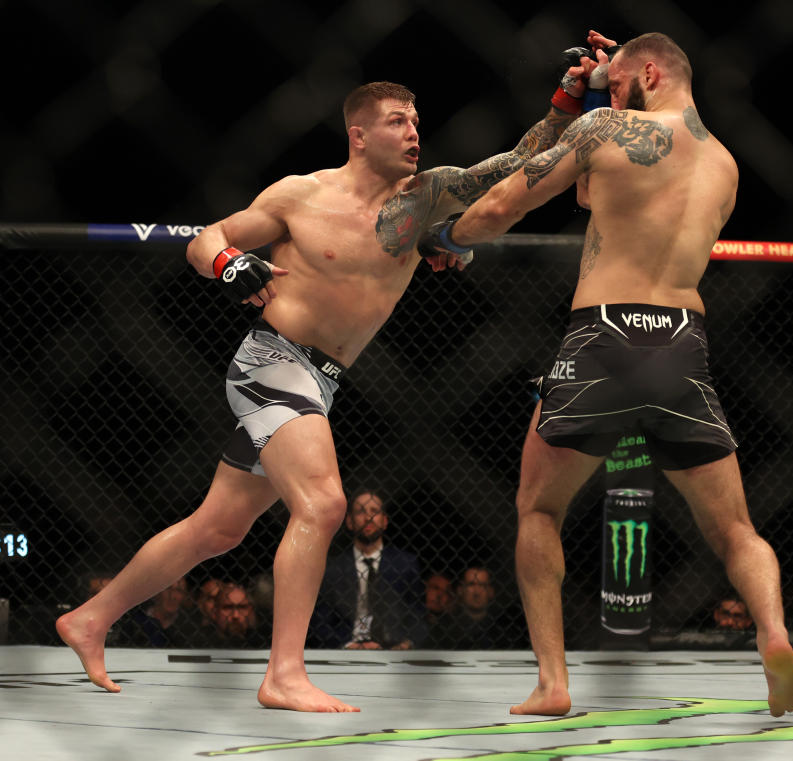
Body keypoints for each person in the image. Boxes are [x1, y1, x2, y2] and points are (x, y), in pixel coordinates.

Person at [55, 65, 584, 711]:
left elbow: (517, 163)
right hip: (271, 364)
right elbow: (206, 240)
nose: (414, 131)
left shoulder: (426, 197)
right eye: (398, 121)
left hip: (322, 380)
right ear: (358, 134)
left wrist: (567, 99)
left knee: (217, 528)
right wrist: (230, 263)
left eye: (417, 121)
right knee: (324, 504)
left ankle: (88, 617)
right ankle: (283, 673)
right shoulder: (299, 196)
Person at [418, 30, 793, 718]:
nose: (611, 90)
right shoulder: (723, 163)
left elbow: (505, 203)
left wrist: (449, 237)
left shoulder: (604, 126)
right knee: (735, 529)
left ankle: (552, 682)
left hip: (603, 335)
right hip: (682, 344)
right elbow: (603, 197)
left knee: (538, 507)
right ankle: (775, 638)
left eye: (621, 80)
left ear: (649, 73)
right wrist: (605, 83)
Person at [310, 488, 426, 649]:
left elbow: (418, 615)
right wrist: (346, 645)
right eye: (360, 511)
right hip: (348, 646)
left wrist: (405, 644)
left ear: (385, 521)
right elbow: (320, 620)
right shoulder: (334, 568)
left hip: (393, 646)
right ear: (349, 521)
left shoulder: (405, 564)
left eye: (374, 511)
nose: (368, 517)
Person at [194, 582, 265, 648]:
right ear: (214, 612)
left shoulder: (261, 642)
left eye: (242, 607)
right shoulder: (199, 643)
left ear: (250, 611)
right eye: (228, 608)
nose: (235, 615)